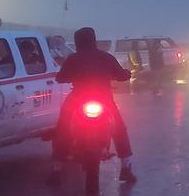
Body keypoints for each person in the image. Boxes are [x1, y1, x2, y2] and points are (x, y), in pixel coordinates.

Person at [51, 26, 137, 184]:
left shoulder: (73, 59)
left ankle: (56, 170)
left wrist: (65, 77)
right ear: (93, 40)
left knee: (62, 128)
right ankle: (126, 168)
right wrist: (126, 73)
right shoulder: (106, 57)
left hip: (78, 97)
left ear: (78, 42)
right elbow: (120, 74)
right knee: (119, 129)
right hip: (103, 98)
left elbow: (60, 77)